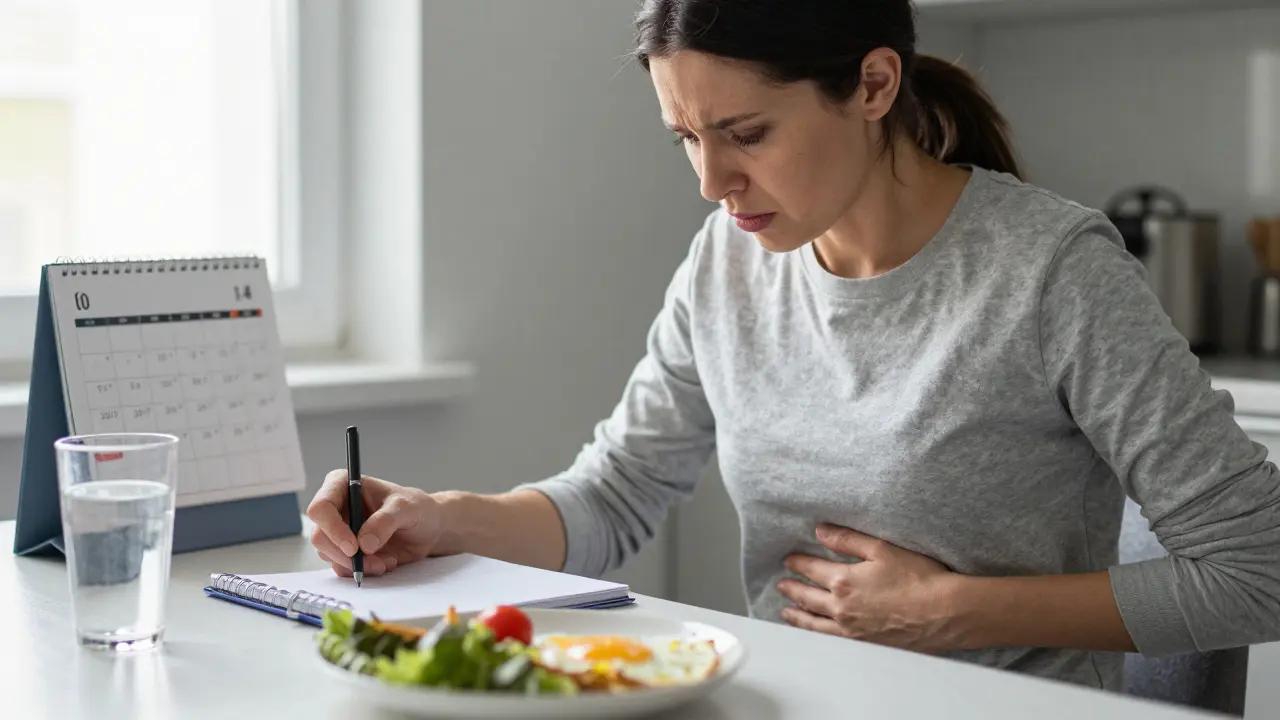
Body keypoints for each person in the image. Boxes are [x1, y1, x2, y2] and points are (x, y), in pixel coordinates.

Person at [306, 0, 1280, 692]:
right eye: (684, 138)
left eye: (745, 133)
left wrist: (951, 610)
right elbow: (611, 498)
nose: (711, 181)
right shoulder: (724, 266)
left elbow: (1258, 572)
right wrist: (438, 519)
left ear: (871, 83)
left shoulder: (1049, 272)